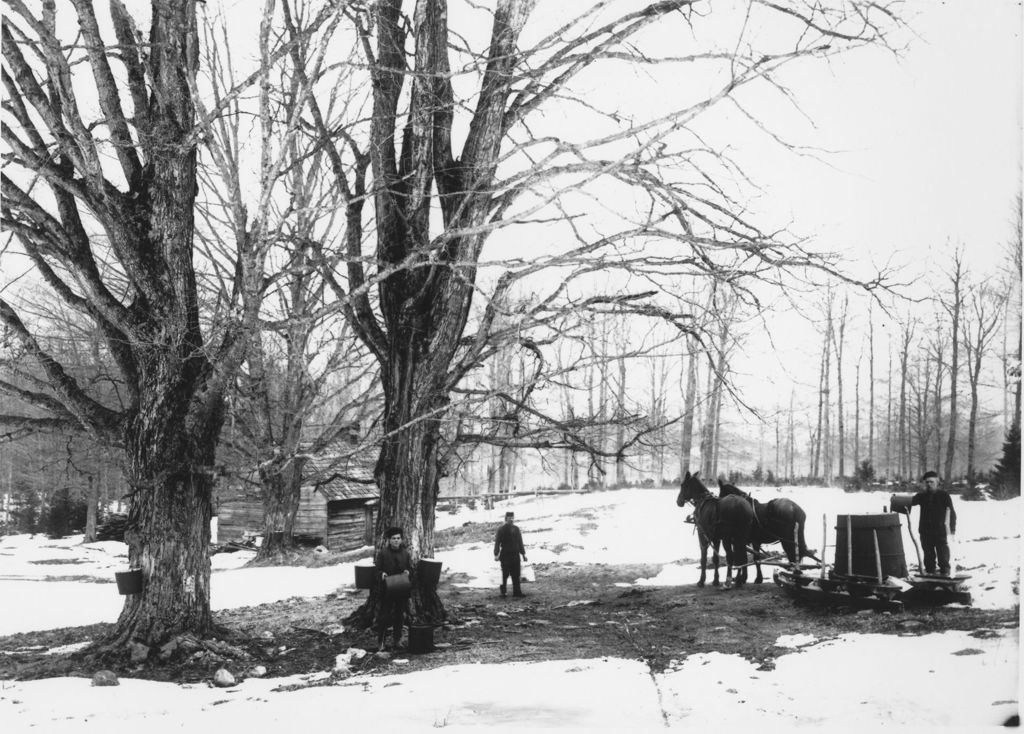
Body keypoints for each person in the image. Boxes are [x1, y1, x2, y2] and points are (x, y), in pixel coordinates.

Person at [910, 471, 957, 576]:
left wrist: (952, 529)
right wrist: (896, 500)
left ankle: (945, 573)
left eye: (931, 482)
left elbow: (952, 513)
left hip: (940, 532)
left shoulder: (944, 496)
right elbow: (911, 502)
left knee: (943, 555)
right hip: (925, 532)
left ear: (937, 482)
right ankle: (930, 574)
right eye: (927, 482)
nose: (929, 484)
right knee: (928, 556)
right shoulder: (922, 496)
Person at [374, 526, 413, 650]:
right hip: (387, 589)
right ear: (389, 540)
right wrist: (382, 574)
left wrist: (408, 571)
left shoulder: (405, 553)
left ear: (401, 540)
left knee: (399, 615)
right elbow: (376, 570)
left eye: (398, 538)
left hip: (401, 587)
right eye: (393, 538)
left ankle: (397, 640)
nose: (396, 540)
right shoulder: (383, 553)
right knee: (384, 616)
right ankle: (381, 642)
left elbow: (409, 567)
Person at [493, 511, 528, 598]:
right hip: (505, 555)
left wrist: (523, 554)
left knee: (516, 574)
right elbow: (497, 542)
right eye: (509, 518)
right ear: (506, 518)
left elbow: (520, 542)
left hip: (515, 555)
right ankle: (503, 592)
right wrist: (496, 554)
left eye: (513, 518)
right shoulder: (501, 529)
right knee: (504, 575)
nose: (511, 520)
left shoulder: (516, 529)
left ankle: (517, 592)